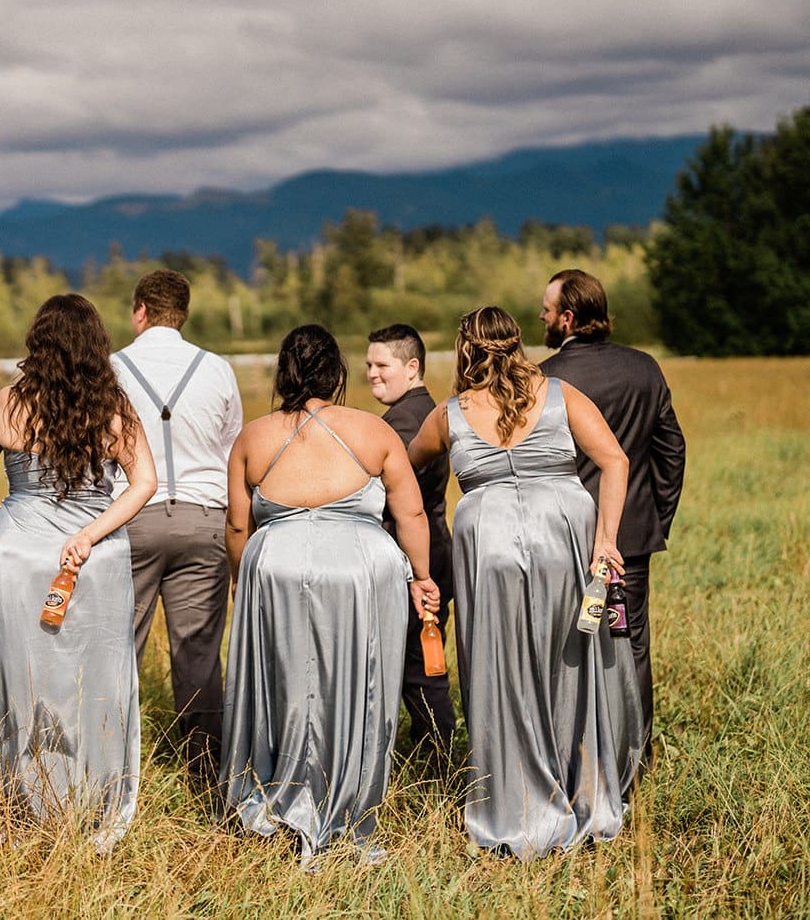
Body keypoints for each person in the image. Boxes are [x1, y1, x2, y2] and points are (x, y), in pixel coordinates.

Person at [408, 306, 642, 859]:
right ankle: (584, 791)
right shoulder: (559, 395)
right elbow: (614, 460)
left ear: (464, 349)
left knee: (500, 670)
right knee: (570, 667)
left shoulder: (450, 415)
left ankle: (517, 802)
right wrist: (606, 538)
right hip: (563, 538)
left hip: (488, 547)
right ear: (516, 344)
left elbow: (404, 464)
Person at [221, 325, 437, 864]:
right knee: (358, 685)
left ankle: (279, 792)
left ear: (284, 373)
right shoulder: (373, 432)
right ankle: (348, 803)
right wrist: (422, 577)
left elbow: (235, 525)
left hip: (278, 569)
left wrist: (241, 578)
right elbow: (409, 512)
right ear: (337, 373)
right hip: (361, 573)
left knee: (285, 684)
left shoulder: (252, 437)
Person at [0, 294, 156, 853]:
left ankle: (28, 799)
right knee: (97, 675)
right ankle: (93, 795)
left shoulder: (8, 404)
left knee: (23, 675)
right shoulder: (114, 406)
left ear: (36, 342)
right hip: (95, 559)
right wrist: (91, 534)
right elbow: (144, 484)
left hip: (23, 556)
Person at [540, 268, 684, 760]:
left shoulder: (546, 379)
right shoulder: (646, 367)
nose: (541, 316)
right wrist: (653, 518)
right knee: (632, 643)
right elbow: (672, 452)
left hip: (561, 535)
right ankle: (635, 755)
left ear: (568, 317)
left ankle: (574, 751)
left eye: (546, 310)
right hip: (631, 538)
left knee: (565, 644)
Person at [110, 269, 242, 786]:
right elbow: (231, 452)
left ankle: (114, 769)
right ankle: (207, 776)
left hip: (132, 520)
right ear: (182, 314)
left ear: (139, 311)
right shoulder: (217, 369)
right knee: (200, 655)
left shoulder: (113, 367)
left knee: (119, 646)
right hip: (205, 520)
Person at [364, 323, 457, 759]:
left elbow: (391, 500)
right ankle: (429, 755)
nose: (372, 373)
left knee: (421, 671)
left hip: (417, 559)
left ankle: (440, 763)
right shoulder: (422, 409)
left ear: (412, 366)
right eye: (368, 364)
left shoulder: (405, 421)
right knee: (418, 667)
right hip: (432, 548)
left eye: (382, 365)